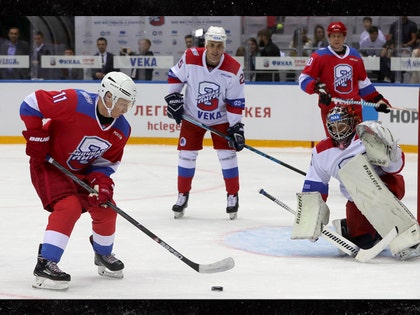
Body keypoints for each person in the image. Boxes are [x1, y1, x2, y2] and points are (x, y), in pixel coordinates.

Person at [19, 71, 137, 290]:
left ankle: (103, 255)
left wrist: (101, 182)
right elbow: (30, 103)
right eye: (122, 103)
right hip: (49, 165)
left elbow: (105, 164)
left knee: (107, 207)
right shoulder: (76, 102)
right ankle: (46, 263)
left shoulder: (121, 129)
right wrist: (36, 135)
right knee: (69, 206)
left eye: (128, 104)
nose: (124, 109)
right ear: (108, 96)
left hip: (79, 171)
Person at [294, 105, 420, 260]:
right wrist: (310, 219)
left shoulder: (368, 136)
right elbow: (315, 185)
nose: (337, 131)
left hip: (387, 186)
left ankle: (403, 233)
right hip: (356, 198)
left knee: (380, 202)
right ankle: (355, 229)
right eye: (333, 127)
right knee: (363, 242)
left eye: (341, 125)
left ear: (352, 123)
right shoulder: (321, 152)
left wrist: (392, 150)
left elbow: (394, 168)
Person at [164, 26, 245, 220]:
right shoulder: (191, 57)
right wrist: (173, 97)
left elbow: (235, 102)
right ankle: (182, 194)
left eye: (220, 46)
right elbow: (175, 75)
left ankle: (232, 195)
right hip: (192, 117)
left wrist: (236, 128)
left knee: (227, 156)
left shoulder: (233, 69)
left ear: (224, 46)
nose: (216, 50)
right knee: (186, 155)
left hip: (220, 119)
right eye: (212, 45)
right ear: (206, 45)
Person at [299, 21, 393, 136]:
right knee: (335, 147)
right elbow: (303, 79)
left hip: (354, 110)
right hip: (332, 111)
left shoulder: (355, 56)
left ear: (344, 37)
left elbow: (364, 84)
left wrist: (378, 100)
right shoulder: (319, 56)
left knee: (357, 146)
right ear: (328, 37)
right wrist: (317, 87)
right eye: (333, 36)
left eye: (339, 36)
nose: (336, 39)